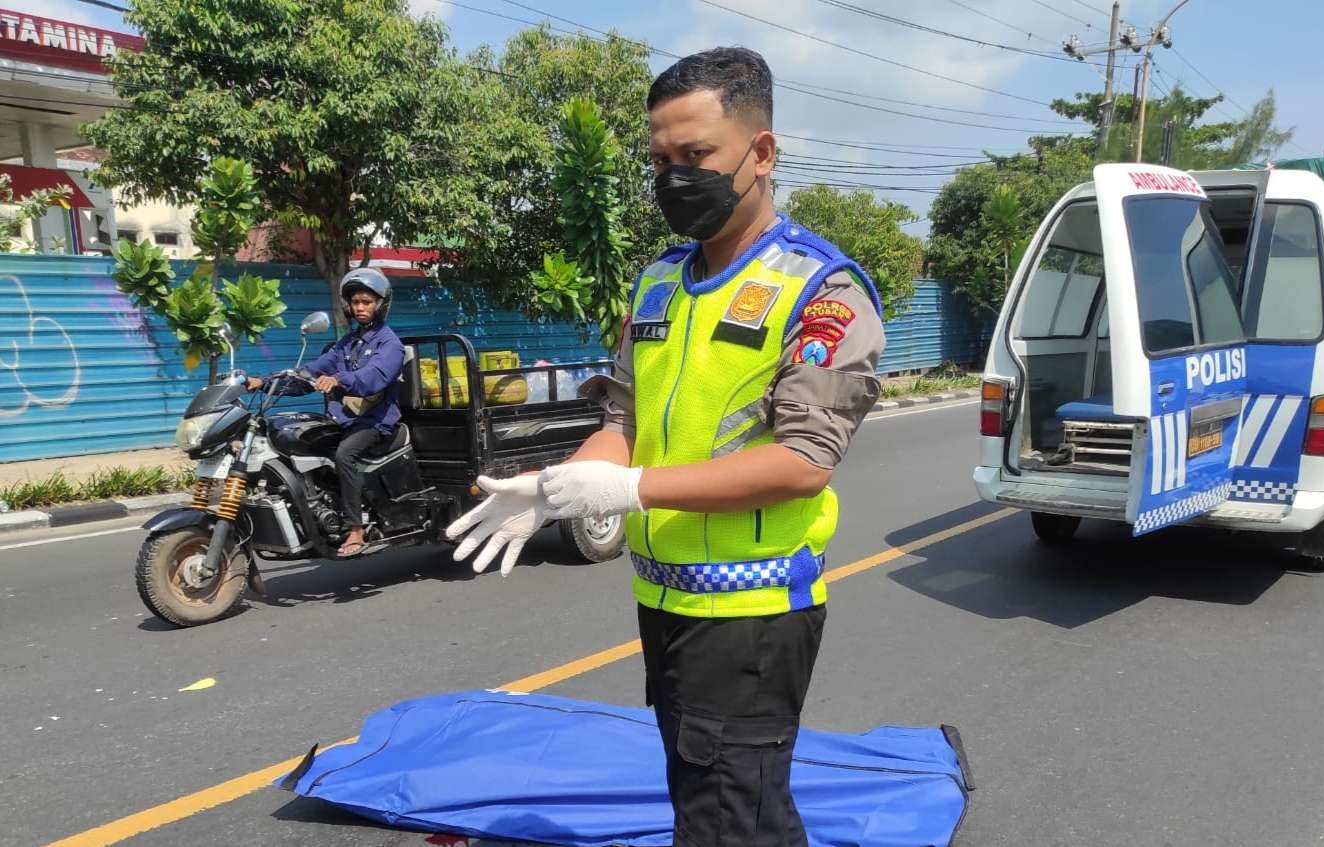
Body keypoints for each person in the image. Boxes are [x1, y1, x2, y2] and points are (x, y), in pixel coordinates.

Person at [447, 47, 884, 846]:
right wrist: (558, 483)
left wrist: (635, 490)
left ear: (762, 152)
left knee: (728, 820)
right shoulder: (657, 284)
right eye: (660, 160)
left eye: (696, 156)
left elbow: (802, 462)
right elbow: (624, 423)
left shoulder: (821, 290)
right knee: (722, 805)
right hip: (664, 600)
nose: (675, 177)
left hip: (749, 614)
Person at [248, 267, 405, 557]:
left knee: (345, 454)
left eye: (366, 302)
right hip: (346, 419)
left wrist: (339, 379)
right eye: (355, 302)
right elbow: (311, 372)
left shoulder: (389, 343)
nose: (359, 307)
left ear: (380, 304)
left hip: (376, 421)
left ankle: (355, 530)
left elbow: (375, 378)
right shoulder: (346, 343)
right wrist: (263, 382)